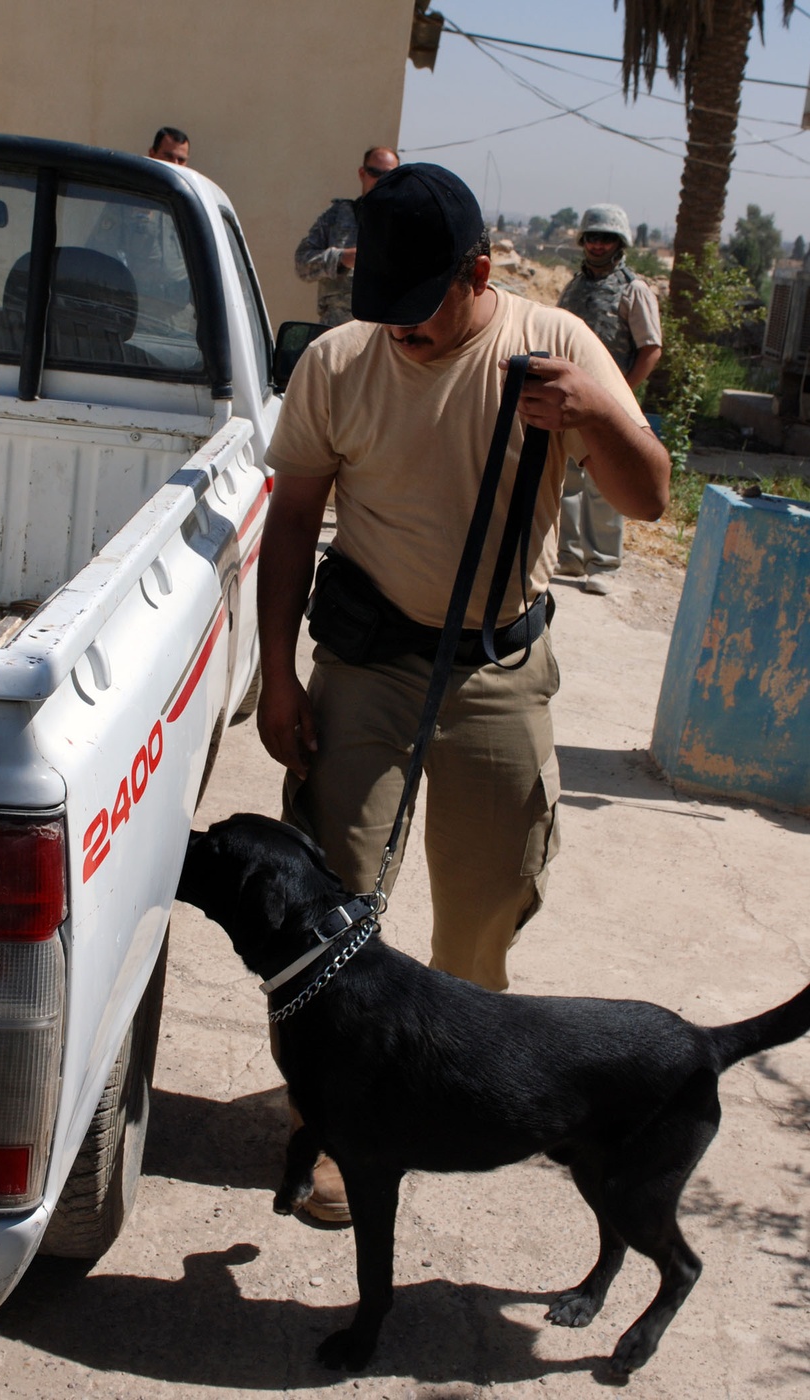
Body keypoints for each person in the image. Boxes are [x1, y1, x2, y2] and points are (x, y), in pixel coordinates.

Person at [257, 164, 669, 1220]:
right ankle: (336, 1119)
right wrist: (275, 677)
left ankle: (443, 1085)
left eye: (416, 310)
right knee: (333, 897)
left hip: (496, 669)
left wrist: (596, 418)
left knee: (484, 908)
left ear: (477, 273)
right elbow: (294, 522)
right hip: (367, 663)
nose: (396, 332)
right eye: (377, 306)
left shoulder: (556, 349)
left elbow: (651, 497)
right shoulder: (340, 362)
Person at [556, 205, 663, 594]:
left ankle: (602, 563)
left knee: (604, 484)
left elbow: (650, 348)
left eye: (606, 239)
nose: (598, 245)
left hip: (608, 405)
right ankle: (567, 555)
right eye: (592, 238)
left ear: (620, 244)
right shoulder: (574, 285)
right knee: (565, 479)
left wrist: (620, 396)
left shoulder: (633, 289)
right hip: (568, 401)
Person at [293, 146, 400, 325]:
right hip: (335, 330)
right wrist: (341, 258)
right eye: (374, 172)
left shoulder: (404, 225)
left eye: (387, 176)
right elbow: (302, 264)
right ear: (362, 173)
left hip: (381, 333)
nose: (380, 180)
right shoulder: (336, 216)